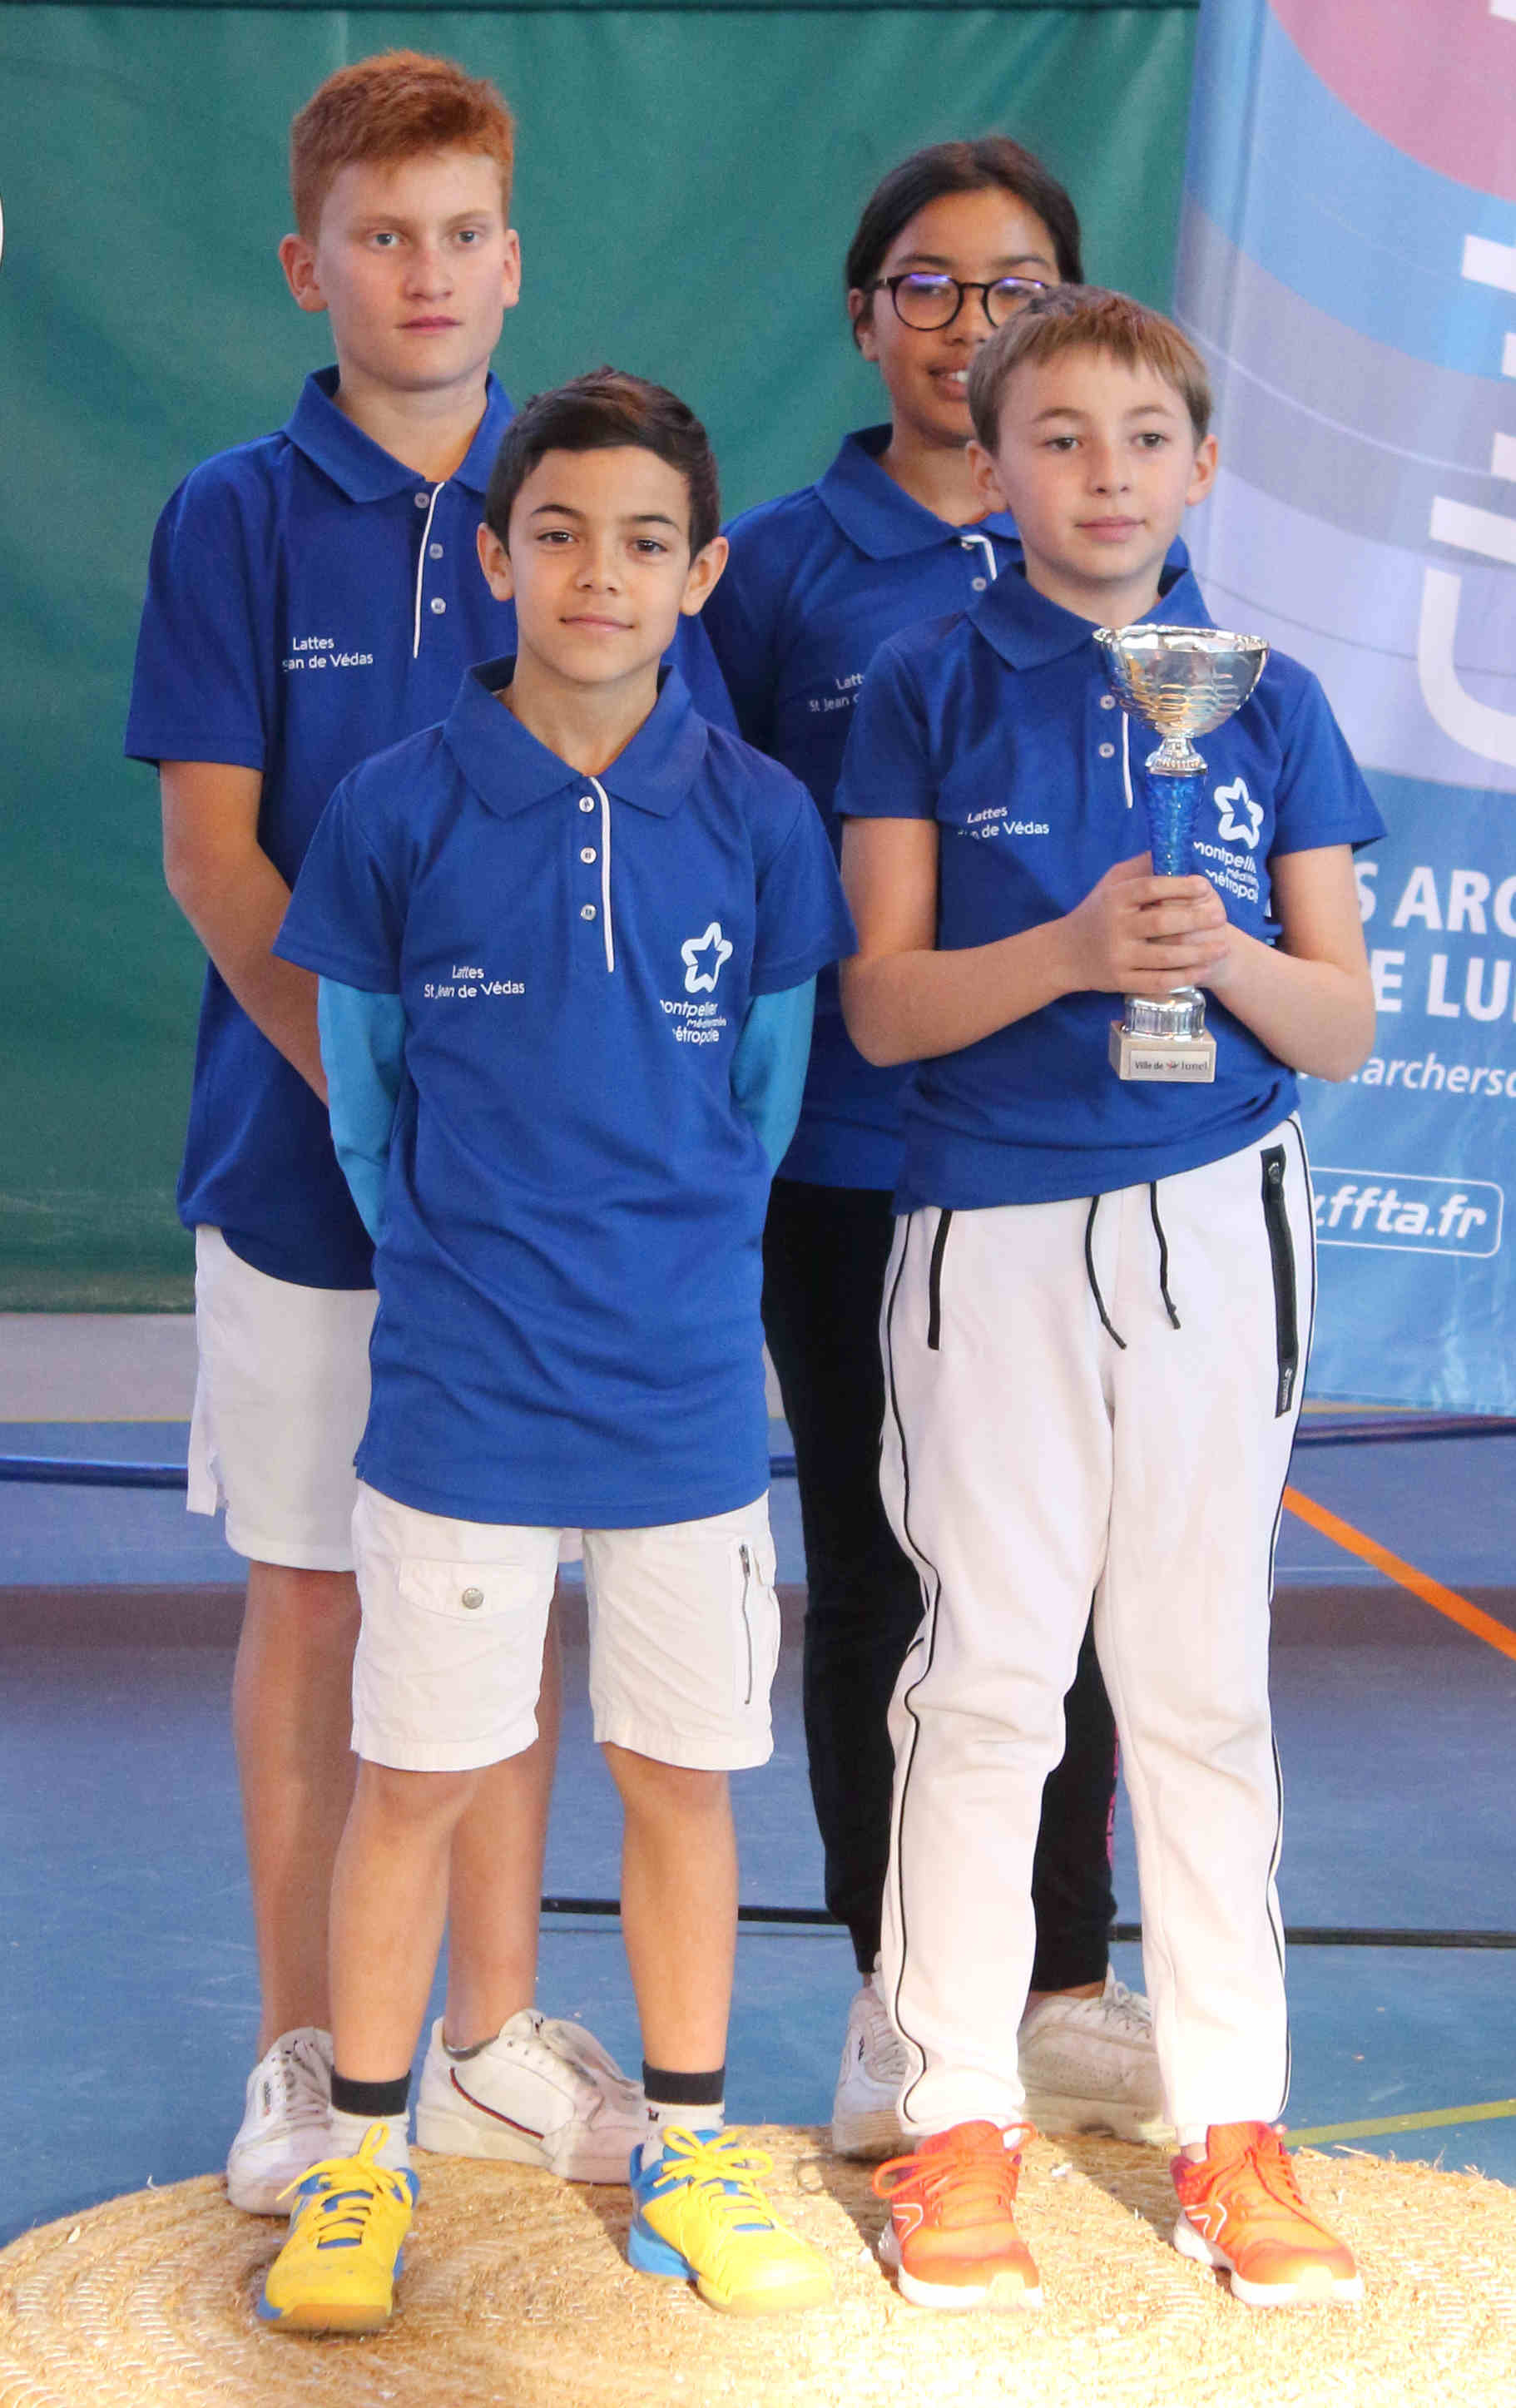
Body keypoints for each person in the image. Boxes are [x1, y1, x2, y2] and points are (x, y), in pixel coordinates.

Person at [123, 52, 731, 2211]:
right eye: (381, 236)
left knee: (504, 1605)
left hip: (540, 1213)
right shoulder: (229, 515)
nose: (425, 271)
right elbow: (215, 858)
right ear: (310, 266)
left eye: (462, 231)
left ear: (512, 258)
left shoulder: (579, 501)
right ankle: (309, 2053)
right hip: (308, 1177)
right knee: (315, 1602)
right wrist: (391, 1108)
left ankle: (480, 2040)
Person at [256, 370, 856, 2333]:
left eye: (645, 541)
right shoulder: (393, 807)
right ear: (497, 560)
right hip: (461, 1402)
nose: (603, 571)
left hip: (680, 1398)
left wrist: (660, 1272)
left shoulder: (760, 818)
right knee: (417, 1778)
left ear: (702, 575)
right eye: (562, 533)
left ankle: (685, 2146)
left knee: (678, 1776)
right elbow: (369, 1107)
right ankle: (363, 2158)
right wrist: (471, 1271)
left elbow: (759, 1103)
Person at [837, 285, 1380, 2311]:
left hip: (1217, 1221)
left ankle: (1230, 2125)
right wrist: (1069, 952)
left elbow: (1335, 1022)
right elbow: (883, 1006)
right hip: (983, 1230)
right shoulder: (920, 683)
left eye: (1143, 438)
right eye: (1055, 437)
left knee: (1194, 1682)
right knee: (983, 1677)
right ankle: (952, 2116)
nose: (1103, 474)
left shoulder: (1271, 701)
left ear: (1201, 465)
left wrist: (1214, 957)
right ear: (989, 468)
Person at [701, 141, 1164, 2158]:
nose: (970, 323)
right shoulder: (779, 568)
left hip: (1081, 1160)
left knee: (1072, 1585)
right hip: (853, 1158)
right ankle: (902, 1998)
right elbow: (712, 840)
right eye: (927, 285)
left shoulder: (1130, 555)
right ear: (862, 315)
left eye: (1015, 287)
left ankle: (1057, 1989)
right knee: (883, 1579)